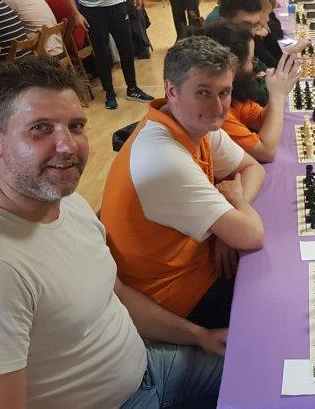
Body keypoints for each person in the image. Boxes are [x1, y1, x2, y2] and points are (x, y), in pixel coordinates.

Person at [0, 57, 225, 408]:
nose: (68, 145)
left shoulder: (68, 203)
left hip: (150, 369)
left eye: (76, 126)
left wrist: (199, 336)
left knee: (270, 375)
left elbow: (114, 293)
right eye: (40, 128)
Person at [101, 36, 266, 329]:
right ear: (171, 91)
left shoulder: (195, 124)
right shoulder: (164, 159)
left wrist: (226, 226)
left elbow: (252, 167)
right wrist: (234, 206)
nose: (218, 107)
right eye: (203, 92)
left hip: (199, 266)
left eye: (224, 92)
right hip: (177, 299)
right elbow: (252, 235)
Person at [56, 0, 154, 109]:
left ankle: (132, 88)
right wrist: (75, 13)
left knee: (127, 47)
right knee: (102, 53)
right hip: (91, 7)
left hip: (117, 3)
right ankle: (109, 93)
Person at [204, 22, 298, 163]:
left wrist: (277, 92)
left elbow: (261, 120)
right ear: (235, 65)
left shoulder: (234, 93)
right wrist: (278, 96)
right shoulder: (216, 111)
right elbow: (266, 152)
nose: (254, 66)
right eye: (251, 60)